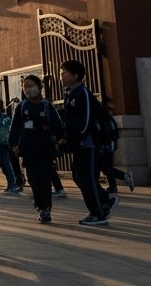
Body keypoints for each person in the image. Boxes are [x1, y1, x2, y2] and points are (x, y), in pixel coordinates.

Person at [59, 60, 114, 226]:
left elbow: (86, 121)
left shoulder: (83, 93)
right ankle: (105, 200)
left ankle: (98, 213)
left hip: (88, 143)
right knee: (78, 176)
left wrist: (73, 137)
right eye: (61, 74)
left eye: (65, 74)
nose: (62, 77)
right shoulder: (70, 93)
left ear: (76, 75)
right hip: (78, 144)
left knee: (87, 178)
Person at [9, 74, 62, 223]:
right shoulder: (22, 106)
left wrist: (61, 140)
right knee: (33, 180)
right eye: (25, 87)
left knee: (45, 179)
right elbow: (15, 128)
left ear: (39, 87)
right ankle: (39, 205)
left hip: (45, 148)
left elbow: (57, 125)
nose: (28, 90)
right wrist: (14, 144)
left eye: (31, 86)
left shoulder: (47, 106)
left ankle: (46, 208)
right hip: (28, 149)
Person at [95, 101, 135, 194]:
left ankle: (124, 176)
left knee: (103, 167)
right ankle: (113, 186)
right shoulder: (109, 118)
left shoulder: (99, 119)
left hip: (103, 146)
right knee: (107, 166)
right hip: (111, 145)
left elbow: (98, 132)